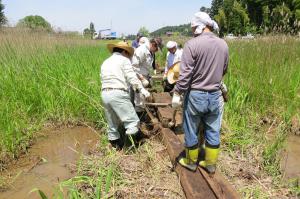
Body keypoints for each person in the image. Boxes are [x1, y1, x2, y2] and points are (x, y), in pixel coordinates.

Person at [172, 12, 229, 173]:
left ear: (199, 26)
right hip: (215, 95)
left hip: (196, 95)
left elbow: (185, 74)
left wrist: (177, 93)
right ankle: (210, 164)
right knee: (213, 129)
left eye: (192, 28)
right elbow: (224, 69)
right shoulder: (223, 45)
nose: (192, 31)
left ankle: (191, 162)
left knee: (190, 128)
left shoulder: (192, 44)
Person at [100, 41, 150, 149]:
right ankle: (129, 148)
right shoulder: (124, 60)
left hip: (105, 93)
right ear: (123, 51)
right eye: (128, 53)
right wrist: (143, 90)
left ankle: (115, 147)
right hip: (118, 93)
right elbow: (132, 77)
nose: (129, 56)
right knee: (133, 122)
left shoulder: (105, 62)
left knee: (112, 124)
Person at [132, 37, 162, 112]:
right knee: (139, 99)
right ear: (153, 45)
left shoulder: (149, 51)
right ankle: (140, 118)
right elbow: (134, 66)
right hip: (138, 77)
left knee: (143, 98)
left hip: (144, 76)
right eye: (156, 49)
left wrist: (149, 76)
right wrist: (142, 78)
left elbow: (147, 66)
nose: (156, 51)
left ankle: (142, 112)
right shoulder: (142, 50)